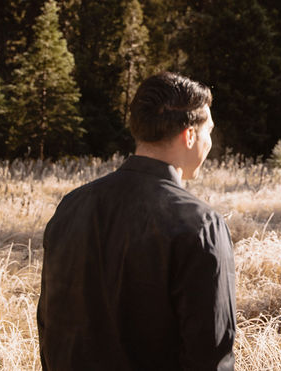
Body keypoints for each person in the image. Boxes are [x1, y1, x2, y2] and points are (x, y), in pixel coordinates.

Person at [37, 72, 236, 371]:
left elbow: (51, 327)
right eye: (209, 130)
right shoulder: (200, 225)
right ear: (190, 135)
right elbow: (210, 357)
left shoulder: (71, 207)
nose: (209, 141)